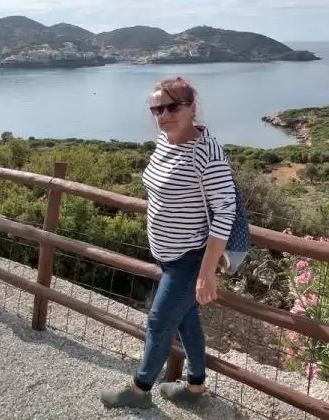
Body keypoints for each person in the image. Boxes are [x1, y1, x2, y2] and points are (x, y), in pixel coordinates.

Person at [101, 76, 236, 409]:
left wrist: (206, 272)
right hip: (167, 256)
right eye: (157, 109)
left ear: (192, 107)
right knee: (186, 320)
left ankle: (139, 390)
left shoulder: (206, 153)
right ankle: (195, 388)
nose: (163, 115)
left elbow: (225, 211)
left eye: (172, 107)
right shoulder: (165, 141)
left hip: (189, 258)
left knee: (159, 322)